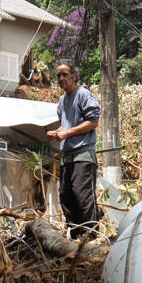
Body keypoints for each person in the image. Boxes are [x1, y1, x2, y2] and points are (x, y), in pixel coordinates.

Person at [45, 64, 100, 233]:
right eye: (58, 76)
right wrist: (58, 132)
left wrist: (67, 133)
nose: (61, 79)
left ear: (74, 76)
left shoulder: (83, 94)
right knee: (66, 196)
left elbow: (93, 121)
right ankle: (74, 235)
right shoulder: (62, 100)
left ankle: (90, 236)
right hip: (67, 156)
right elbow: (67, 124)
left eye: (65, 74)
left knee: (82, 196)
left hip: (83, 154)